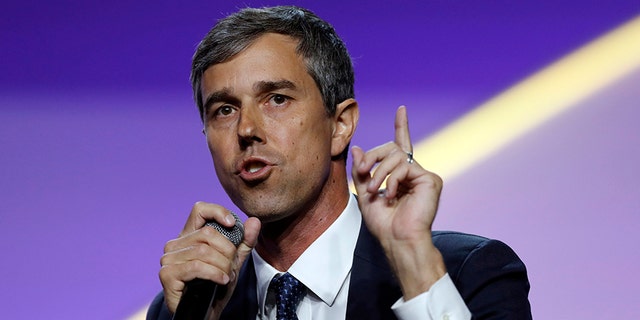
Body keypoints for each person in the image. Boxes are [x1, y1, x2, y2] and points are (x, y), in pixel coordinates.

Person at [147, 5, 531, 320]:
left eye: (277, 99)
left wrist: (415, 266)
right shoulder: (187, 306)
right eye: (225, 109)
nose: (246, 129)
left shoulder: (467, 275)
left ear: (341, 125)